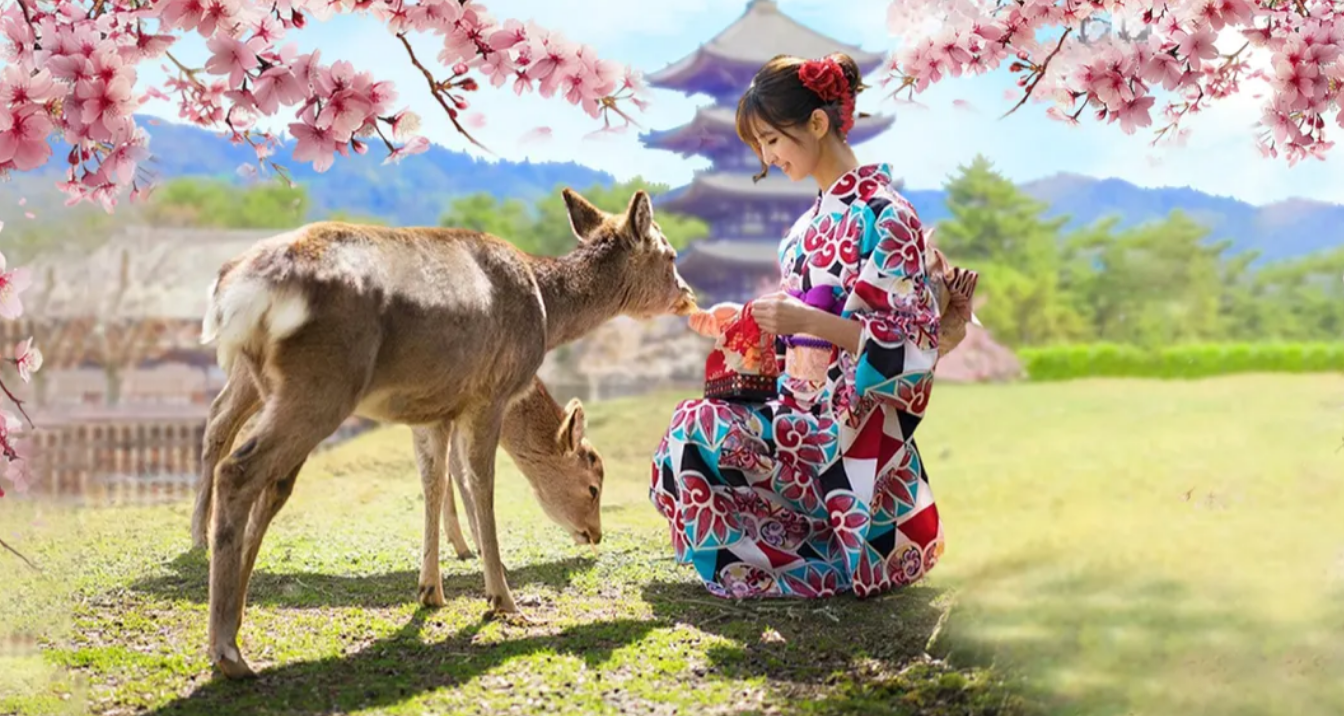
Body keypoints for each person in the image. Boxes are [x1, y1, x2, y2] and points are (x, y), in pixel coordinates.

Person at [649, 52, 949, 600]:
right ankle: (763, 561)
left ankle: (833, 560)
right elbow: (793, 339)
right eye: (759, 146)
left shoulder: (889, 216)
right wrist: (745, 320)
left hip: (851, 429)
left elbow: (914, 347)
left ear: (816, 123)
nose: (767, 157)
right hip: (794, 409)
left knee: (699, 429)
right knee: (691, 427)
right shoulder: (801, 231)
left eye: (772, 139)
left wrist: (807, 319)